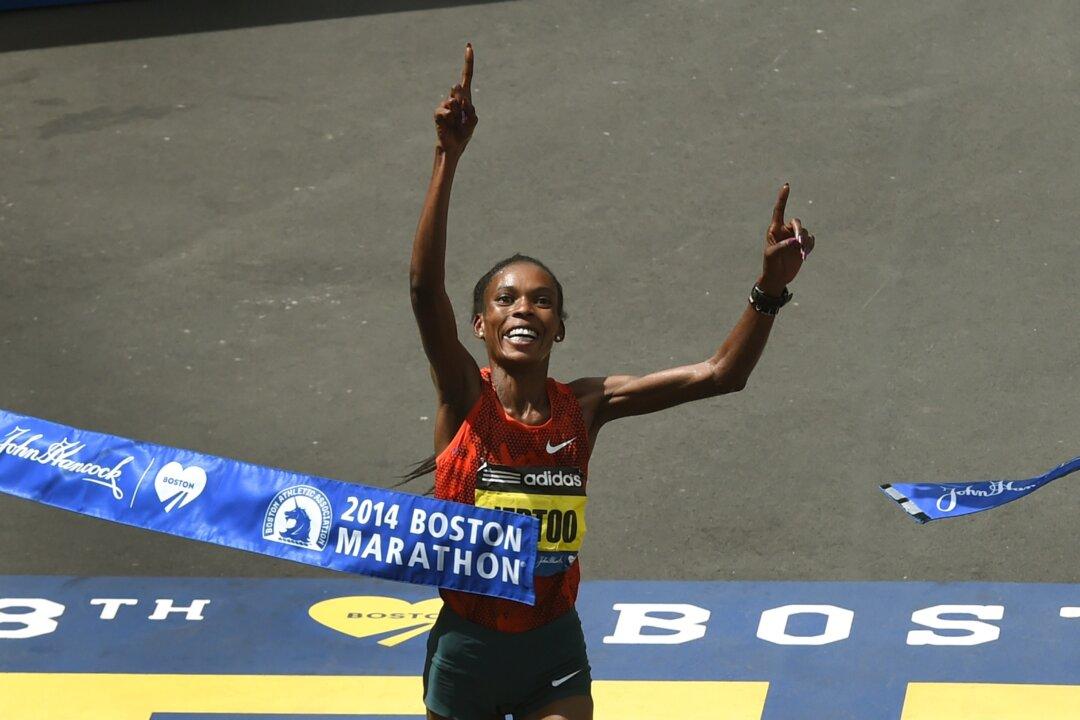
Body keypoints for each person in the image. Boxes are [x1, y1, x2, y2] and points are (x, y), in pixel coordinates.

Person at [409, 43, 814, 720]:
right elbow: (425, 291)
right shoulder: (464, 397)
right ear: (480, 324)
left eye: (540, 301)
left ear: (559, 327)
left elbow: (722, 374)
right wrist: (447, 157)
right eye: (504, 300)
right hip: (471, 649)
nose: (522, 310)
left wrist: (768, 291)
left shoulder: (586, 405)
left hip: (552, 647)